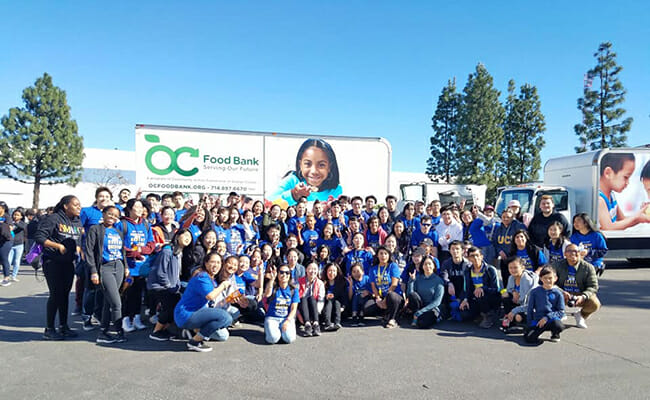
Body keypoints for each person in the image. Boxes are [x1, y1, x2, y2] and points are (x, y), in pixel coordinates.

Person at [34, 195, 84, 340]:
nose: (78, 207)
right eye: (75, 204)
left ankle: (63, 326)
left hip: (68, 263)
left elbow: (78, 240)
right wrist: (58, 246)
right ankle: (49, 329)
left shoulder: (77, 222)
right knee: (55, 294)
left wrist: (79, 249)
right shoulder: (53, 218)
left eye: (79, 204)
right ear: (65, 206)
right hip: (52, 261)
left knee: (64, 295)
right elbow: (40, 237)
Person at [84, 206, 129, 344]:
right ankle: (119, 331)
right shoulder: (95, 229)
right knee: (116, 303)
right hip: (105, 268)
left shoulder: (117, 231)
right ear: (103, 214)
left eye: (116, 216)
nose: (112, 217)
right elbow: (89, 252)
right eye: (110, 214)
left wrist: (126, 266)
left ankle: (103, 332)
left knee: (108, 302)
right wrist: (93, 271)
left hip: (119, 266)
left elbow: (123, 251)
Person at [174, 252, 233, 352]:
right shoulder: (202, 276)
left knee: (223, 335)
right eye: (213, 262)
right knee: (225, 318)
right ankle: (194, 342)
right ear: (206, 263)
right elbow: (210, 296)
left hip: (195, 311)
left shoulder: (209, 277)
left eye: (219, 262)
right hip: (186, 314)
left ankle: (193, 331)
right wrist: (223, 285)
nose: (216, 265)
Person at [117, 198, 156, 332]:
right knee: (126, 294)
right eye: (137, 207)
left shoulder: (145, 224)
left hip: (142, 267)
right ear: (129, 208)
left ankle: (137, 318)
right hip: (128, 267)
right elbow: (119, 246)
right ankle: (125, 319)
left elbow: (151, 245)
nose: (140, 210)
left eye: (141, 207)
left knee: (138, 294)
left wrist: (141, 250)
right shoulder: (122, 224)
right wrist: (134, 252)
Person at [268, 138, 343, 207]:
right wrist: (294, 195)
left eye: (321, 165)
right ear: (300, 164)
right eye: (307, 164)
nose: (314, 171)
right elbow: (269, 203)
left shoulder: (335, 190)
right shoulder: (293, 181)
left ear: (329, 167)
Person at [147, 229, 192, 341]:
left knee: (174, 307)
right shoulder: (168, 251)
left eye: (189, 237)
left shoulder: (179, 253)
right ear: (177, 237)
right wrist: (168, 285)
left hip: (171, 287)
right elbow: (161, 272)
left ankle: (164, 330)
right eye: (185, 235)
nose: (187, 238)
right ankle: (156, 331)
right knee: (169, 308)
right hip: (161, 287)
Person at [598, 152, 650, 230]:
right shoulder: (600, 200)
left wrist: (640, 216)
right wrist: (637, 218)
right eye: (626, 177)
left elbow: (623, 221)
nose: (627, 183)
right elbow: (609, 228)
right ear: (608, 173)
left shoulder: (611, 196)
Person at [554, 243, 600, 329]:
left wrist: (583, 296)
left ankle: (581, 315)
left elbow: (593, 286)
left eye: (576, 251)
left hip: (580, 294)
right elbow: (550, 282)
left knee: (595, 304)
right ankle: (557, 315)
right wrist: (561, 292)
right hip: (563, 294)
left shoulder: (588, 267)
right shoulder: (557, 265)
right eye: (569, 251)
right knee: (548, 296)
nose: (573, 253)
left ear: (580, 253)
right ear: (564, 254)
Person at [459, 246, 501, 329]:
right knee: (464, 314)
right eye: (472, 256)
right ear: (468, 258)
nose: (475, 258)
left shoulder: (490, 270)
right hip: (475, 297)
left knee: (480, 294)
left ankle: (488, 316)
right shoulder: (468, 270)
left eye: (477, 255)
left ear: (481, 256)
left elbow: (496, 289)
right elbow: (466, 288)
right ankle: (479, 314)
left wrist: (483, 288)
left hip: (489, 297)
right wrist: (465, 299)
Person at [524, 266, 565, 345]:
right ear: (541, 278)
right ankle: (538, 332)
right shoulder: (534, 292)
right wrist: (529, 324)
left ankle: (555, 333)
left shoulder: (558, 293)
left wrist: (547, 318)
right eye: (545, 278)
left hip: (551, 319)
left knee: (558, 325)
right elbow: (530, 309)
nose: (548, 280)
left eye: (550, 278)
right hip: (538, 320)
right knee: (529, 339)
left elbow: (561, 311)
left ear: (555, 278)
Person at [365, 246, 403, 329]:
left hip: (393, 296)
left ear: (389, 255)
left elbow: (394, 284)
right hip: (381, 296)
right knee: (367, 307)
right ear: (377, 255)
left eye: (385, 254)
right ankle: (386, 313)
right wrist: (378, 299)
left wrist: (385, 300)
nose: (383, 256)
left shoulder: (393, 266)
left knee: (391, 296)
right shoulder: (373, 269)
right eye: (381, 254)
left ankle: (393, 319)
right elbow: (373, 286)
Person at [263, 264, 300, 344]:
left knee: (289, 339)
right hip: (272, 318)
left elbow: (294, 309)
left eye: (287, 273)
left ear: (290, 275)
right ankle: (272, 331)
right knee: (273, 339)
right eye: (282, 272)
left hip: (286, 318)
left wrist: (287, 321)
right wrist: (272, 280)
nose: (284, 275)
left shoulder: (293, 290)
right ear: (278, 274)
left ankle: (280, 332)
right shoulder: (272, 286)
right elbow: (267, 294)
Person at [500, 257, 538, 333]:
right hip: (518, 303)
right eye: (510, 268)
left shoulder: (527, 280)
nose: (513, 270)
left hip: (529, 307)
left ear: (522, 267)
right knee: (505, 295)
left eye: (515, 267)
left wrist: (514, 311)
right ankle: (510, 321)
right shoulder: (511, 277)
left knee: (518, 317)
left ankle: (522, 323)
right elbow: (509, 290)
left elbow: (529, 304)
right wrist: (514, 291)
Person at [406, 255, 444, 329]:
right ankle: (415, 316)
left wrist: (421, 311)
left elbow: (437, 301)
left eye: (430, 264)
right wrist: (411, 281)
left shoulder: (438, 281)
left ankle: (419, 317)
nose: (427, 266)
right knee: (413, 295)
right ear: (422, 266)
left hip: (432, 308)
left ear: (434, 266)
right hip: (419, 306)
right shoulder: (418, 278)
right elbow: (410, 294)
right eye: (425, 264)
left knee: (423, 324)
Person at [492, 209, 525, 286]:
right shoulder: (498, 228)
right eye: (503, 217)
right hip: (504, 258)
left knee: (517, 277)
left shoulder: (517, 226)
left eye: (508, 217)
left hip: (515, 257)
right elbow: (495, 242)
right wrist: (499, 251)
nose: (505, 219)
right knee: (505, 278)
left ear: (512, 217)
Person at [438, 241, 470, 319]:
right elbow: (443, 276)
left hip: (465, 291)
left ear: (462, 251)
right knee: (441, 285)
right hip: (451, 290)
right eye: (452, 249)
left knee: (464, 315)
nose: (455, 251)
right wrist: (449, 283)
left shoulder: (468, 265)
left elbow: (468, 283)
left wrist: (462, 298)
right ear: (449, 251)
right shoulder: (446, 263)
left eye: (457, 249)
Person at [297, 262, 324, 337]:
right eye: (310, 269)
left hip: (314, 308)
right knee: (303, 298)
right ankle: (307, 325)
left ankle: (316, 324)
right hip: (302, 307)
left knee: (312, 298)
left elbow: (321, 299)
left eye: (315, 269)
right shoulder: (299, 281)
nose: (312, 271)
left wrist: (317, 312)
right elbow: (295, 299)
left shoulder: (320, 283)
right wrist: (298, 314)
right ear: (306, 270)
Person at [321, 263, 347, 331]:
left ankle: (337, 322)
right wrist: (325, 296)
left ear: (337, 272)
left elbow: (344, 296)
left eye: (334, 271)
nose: (332, 273)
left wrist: (343, 307)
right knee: (329, 301)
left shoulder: (341, 282)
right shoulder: (322, 282)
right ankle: (327, 323)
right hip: (325, 308)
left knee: (336, 302)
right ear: (326, 271)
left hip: (338, 309)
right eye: (330, 270)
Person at [7, 208, 27, 282]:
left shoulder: (22, 223)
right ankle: (7, 275)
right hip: (10, 244)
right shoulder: (9, 222)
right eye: (14, 215)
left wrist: (15, 223)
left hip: (19, 245)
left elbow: (23, 227)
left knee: (16, 261)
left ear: (21, 216)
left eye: (17, 215)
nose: (15, 216)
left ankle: (14, 275)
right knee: (8, 261)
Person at [0, 203, 15, 287]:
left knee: (4, 257)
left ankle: (6, 277)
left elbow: (11, 227)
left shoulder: (6, 216)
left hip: (6, 240)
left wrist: (3, 225)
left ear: (2, 208)